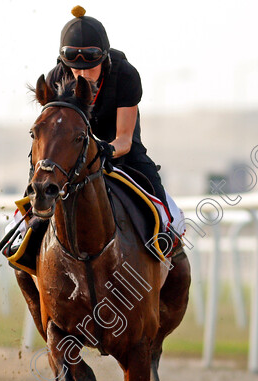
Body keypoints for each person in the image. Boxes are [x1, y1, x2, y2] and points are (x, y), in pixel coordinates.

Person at [46, 5, 180, 221]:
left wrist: (101, 150)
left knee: (145, 169)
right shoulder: (55, 79)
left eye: (90, 68)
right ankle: (22, 232)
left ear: (104, 59)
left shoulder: (126, 74)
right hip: (72, 143)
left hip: (115, 141)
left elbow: (124, 140)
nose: (82, 75)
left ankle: (168, 229)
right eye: (75, 68)